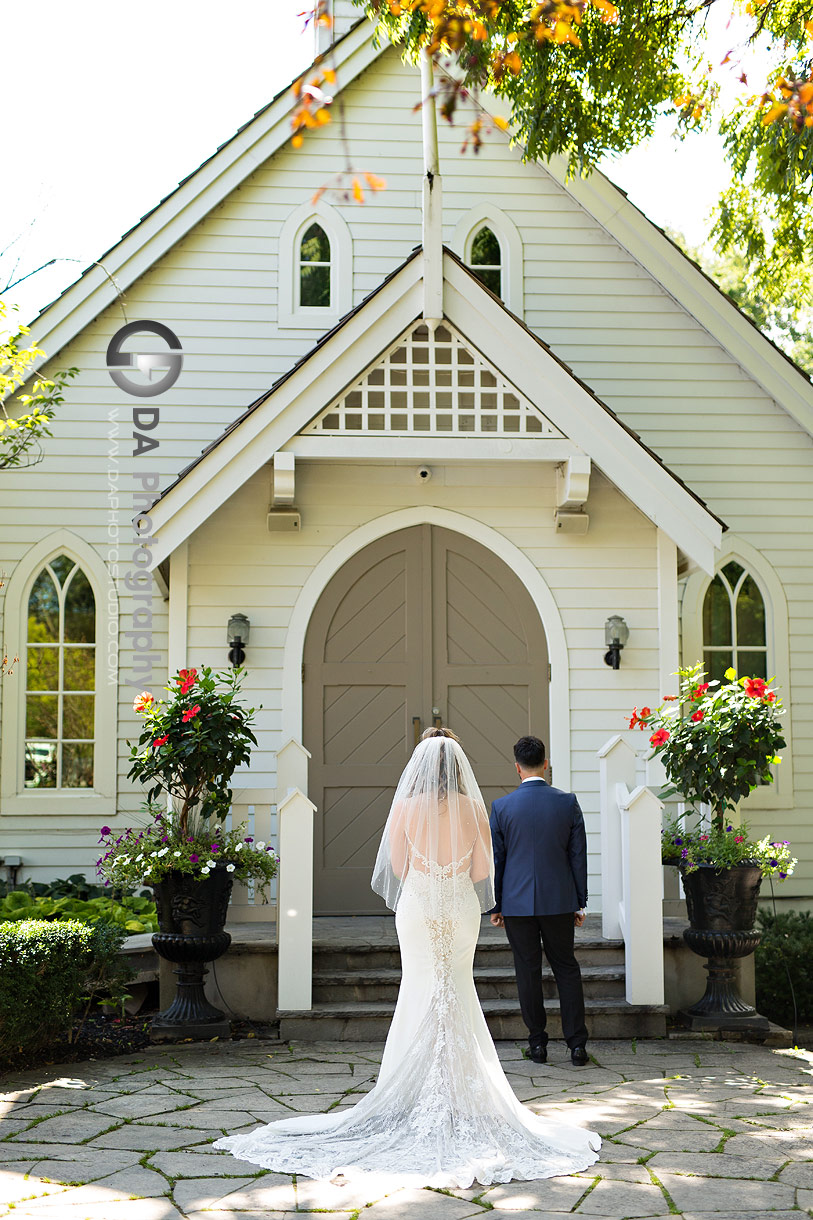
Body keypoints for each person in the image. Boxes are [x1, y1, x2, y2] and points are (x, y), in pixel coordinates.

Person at [214, 727, 600, 1188]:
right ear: (458, 768)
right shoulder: (475, 808)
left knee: (419, 985)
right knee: (456, 986)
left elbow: (396, 868)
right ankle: (466, 1091)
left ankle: (405, 1089)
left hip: (418, 905)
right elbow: (482, 871)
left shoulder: (404, 806)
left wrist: (428, 867)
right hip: (459, 906)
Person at [489, 736, 589, 1067]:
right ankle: (577, 1045)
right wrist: (580, 901)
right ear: (545, 764)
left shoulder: (501, 807)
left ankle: (537, 1044)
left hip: (516, 903)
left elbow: (497, 860)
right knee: (566, 967)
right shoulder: (567, 802)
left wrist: (497, 903)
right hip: (560, 899)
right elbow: (578, 855)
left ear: (517, 767)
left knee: (527, 971)